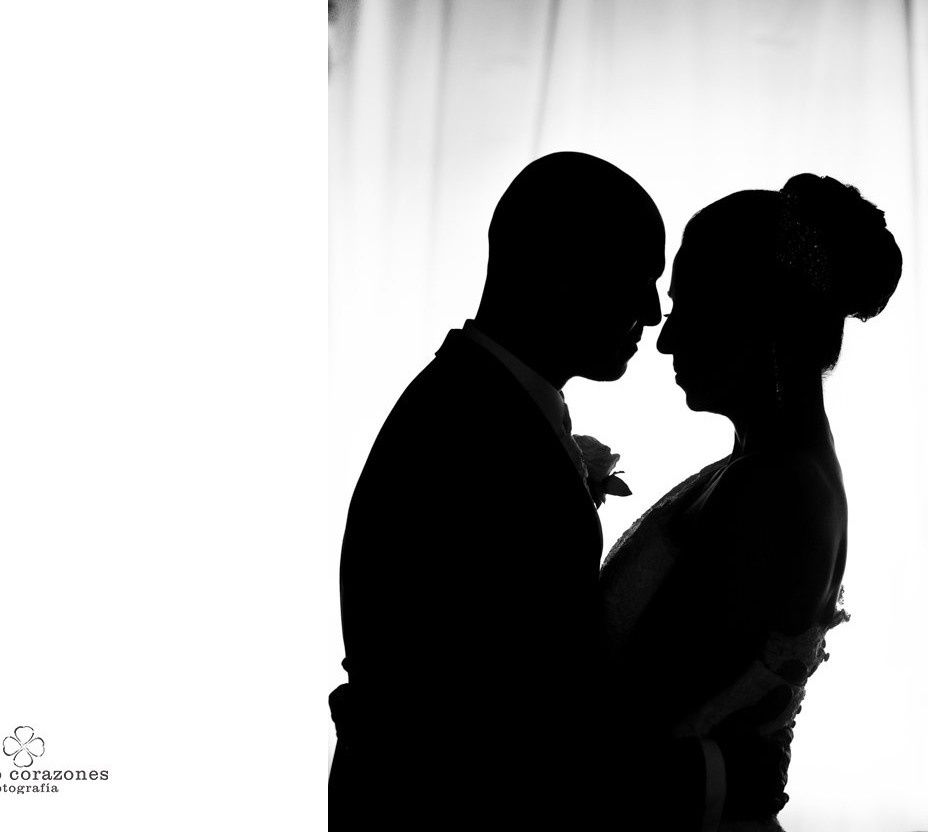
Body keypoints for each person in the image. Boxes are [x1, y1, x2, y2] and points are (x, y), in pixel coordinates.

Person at [329, 152, 782, 830]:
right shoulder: (481, 444)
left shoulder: (473, 407)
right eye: (641, 279)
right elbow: (504, 746)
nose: (654, 314)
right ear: (566, 273)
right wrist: (719, 777)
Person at [599, 174, 902, 830]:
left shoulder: (782, 489)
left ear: (757, 319)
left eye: (687, 310)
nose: (665, 339)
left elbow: (630, 726)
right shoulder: (753, 469)